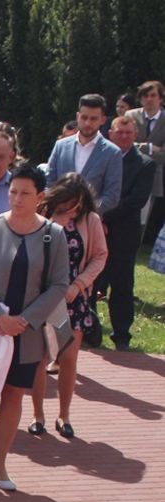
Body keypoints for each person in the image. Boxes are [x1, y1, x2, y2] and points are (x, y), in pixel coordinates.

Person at [0, 164, 70, 492]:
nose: (17, 198)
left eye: (25, 193)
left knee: (12, 395)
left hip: (26, 335)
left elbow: (58, 285)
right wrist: (0, 317)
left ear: (40, 197)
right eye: (13, 191)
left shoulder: (54, 234)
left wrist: (24, 320)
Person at [25, 174, 105, 439]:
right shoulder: (42, 217)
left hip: (72, 300)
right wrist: (53, 225)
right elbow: (31, 252)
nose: (74, 211)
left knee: (68, 358)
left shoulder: (90, 220)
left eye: (78, 205)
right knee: (40, 358)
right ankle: (38, 416)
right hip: (42, 298)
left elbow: (99, 256)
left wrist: (80, 285)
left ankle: (65, 415)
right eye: (69, 205)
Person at [96, 115, 158, 350]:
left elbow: (136, 201)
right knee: (90, 283)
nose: (123, 136)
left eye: (128, 133)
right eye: (119, 132)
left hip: (123, 232)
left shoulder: (145, 164)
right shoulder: (100, 160)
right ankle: (90, 331)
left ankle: (121, 335)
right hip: (96, 229)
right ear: (110, 133)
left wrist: (101, 214)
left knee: (121, 284)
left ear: (135, 135)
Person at [46, 94, 122, 213]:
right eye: (84, 117)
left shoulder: (112, 153)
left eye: (93, 119)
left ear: (102, 120)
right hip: (58, 219)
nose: (87, 123)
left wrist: (84, 210)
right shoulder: (61, 146)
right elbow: (49, 182)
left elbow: (112, 196)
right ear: (77, 116)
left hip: (89, 222)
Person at [128, 80, 165, 246]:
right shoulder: (130, 116)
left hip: (157, 175)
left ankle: (137, 245)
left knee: (146, 215)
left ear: (161, 98)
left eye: (153, 95)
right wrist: (150, 147)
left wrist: (137, 148)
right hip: (130, 172)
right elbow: (124, 145)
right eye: (145, 95)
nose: (149, 99)